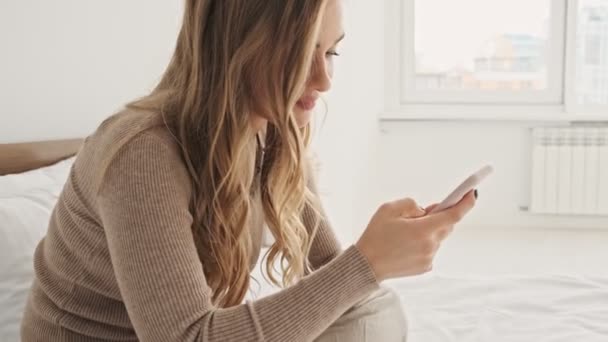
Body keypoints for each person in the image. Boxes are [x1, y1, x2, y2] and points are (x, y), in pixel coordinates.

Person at [20, 0, 476, 341]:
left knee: (375, 311)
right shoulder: (142, 153)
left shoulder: (273, 130)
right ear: (236, 46)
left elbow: (333, 274)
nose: (324, 81)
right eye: (302, 53)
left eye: (331, 53)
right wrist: (368, 263)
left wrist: (390, 249)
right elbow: (187, 337)